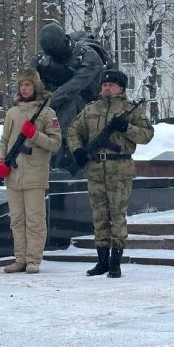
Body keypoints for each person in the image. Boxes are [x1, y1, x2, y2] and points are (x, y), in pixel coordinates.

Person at [68, 70, 153, 278]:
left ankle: (116, 261)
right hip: (95, 169)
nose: (107, 88)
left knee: (117, 216)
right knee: (99, 216)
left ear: (121, 88)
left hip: (119, 170)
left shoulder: (130, 109)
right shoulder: (91, 109)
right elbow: (73, 131)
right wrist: (77, 150)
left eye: (112, 84)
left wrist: (126, 127)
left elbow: (146, 135)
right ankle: (102, 261)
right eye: (104, 84)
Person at [0, 69, 61, 274]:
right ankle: (20, 259)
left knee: (34, 219)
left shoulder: (47, 113)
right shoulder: (12, 113)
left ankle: (33, 260)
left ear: (35, 87)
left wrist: (36, 135)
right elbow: (5, 140)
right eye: (22, 85)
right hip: (13, 174)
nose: (24, 88)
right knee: (17, 220)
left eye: (28, 85)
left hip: (35, 174)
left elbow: (56, 143)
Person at [31, 22, 105, 165]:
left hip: (90, 103)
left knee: (70, 102)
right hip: (56, 100)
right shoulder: (44, 57)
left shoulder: (89, 57)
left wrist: (45, 106)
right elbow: (27, 76)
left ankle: (62, 151)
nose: (53, 56)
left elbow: (73, 87)